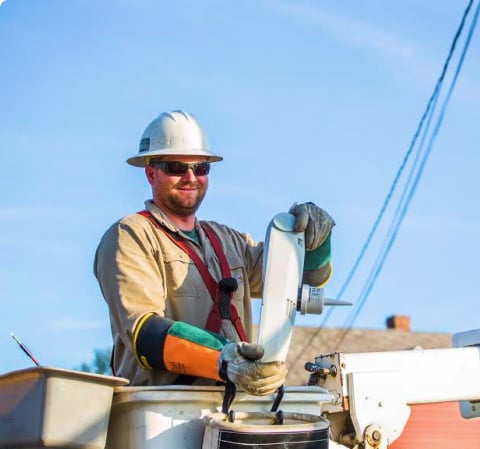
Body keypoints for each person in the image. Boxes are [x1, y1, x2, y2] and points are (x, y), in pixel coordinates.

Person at [94, 110, 334, 395]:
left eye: (201, 168)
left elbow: (303, 280)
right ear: (150, 172)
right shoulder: (132, 234)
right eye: (175, 167)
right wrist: (224, 359)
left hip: (236, 407)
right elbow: (144, 332)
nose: (190, 177)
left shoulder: (229, 241)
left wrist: (317, 241)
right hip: (162, 411)